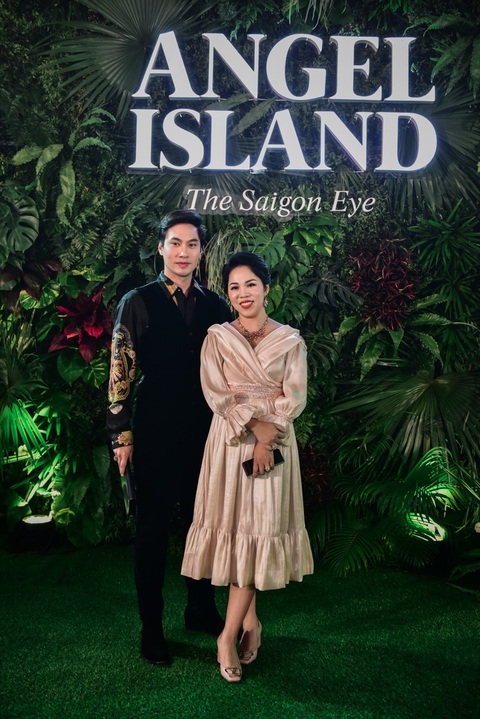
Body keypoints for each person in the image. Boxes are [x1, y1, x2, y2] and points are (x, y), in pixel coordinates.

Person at [181, 250, 314, 683]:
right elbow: (215, 393)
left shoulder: (290, 340)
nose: (243, 293)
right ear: (228, 293)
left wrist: (267, 437)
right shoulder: (217, 338)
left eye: (250, 284)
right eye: (234, 287)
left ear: (266, 288)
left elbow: (295, 397)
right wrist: (254, 427)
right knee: (237, 529)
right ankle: (251, 623)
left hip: (274, 443)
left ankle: (227, 635)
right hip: (229, 441)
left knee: (257, 529)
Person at [107, 209, 231, 666]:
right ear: (160, 248)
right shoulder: (137, 301)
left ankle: (200, 608)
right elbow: (120, 371)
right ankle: (152, 627)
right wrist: (121, 435)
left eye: (191, 244)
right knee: (153, 532)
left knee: (203, 524)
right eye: (175, 243)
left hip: (207, 432)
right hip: (155, 429)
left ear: (201, 251)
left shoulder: (216, 306)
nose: (183, 252)